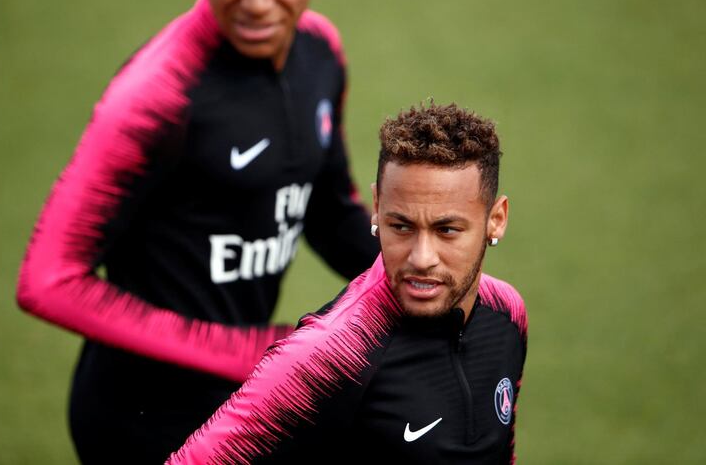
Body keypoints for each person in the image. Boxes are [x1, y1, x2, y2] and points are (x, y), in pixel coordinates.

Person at [15, 0, 378, 463]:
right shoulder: (158, 92)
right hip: (141, 417)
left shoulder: (320, 52)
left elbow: (324, 207)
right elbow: (48, 281)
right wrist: (237, 349)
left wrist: (429, 279)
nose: (257, 3)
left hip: (248, 396)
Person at [167, 102, 528, 464]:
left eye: (446, 230)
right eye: (401, 226)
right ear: (376, 207)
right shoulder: (332, 352)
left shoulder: (507, 314)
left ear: (496, 219)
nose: (421, 257)